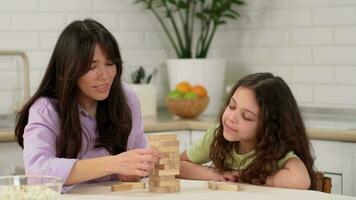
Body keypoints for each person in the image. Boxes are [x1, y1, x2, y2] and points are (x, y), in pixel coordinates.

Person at [15, 19, 161, 192]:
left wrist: (136, 169)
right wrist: (114, 164)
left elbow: (134, 158)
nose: (105, 75)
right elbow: (37, 173)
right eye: (92, 67)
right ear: (69, 69)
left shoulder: (127, 98)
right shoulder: (46, 108)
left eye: (109, 64)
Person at [179, 72, 316, 190]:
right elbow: (176, 164)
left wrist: (245, 177)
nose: (231, 118)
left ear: (267, 126)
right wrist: (215, 174)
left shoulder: (276, 149)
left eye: (247, 117)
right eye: (232, 106)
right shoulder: (218, 134)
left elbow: (300, 180)